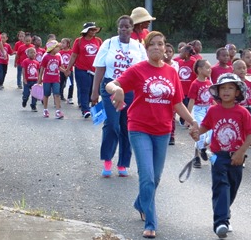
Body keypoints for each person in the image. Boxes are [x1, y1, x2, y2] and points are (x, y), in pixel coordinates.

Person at [105, 31, 199, 239]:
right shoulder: (138, 70)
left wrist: (192, 122)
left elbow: (177, 103)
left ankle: (140, 202)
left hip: (163, 131)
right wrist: (117, 91)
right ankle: (150, 221)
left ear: (165, 48)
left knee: (155, 178)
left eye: (160, 44)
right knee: (146, 176)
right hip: (139, 128)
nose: (157, 47)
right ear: (146, 49)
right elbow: (110, 84)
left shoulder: (171, 72)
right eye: (152, 45)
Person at [197, 73, 251, 239]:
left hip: (237, 158)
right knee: (221, 187)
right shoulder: (213, 110)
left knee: (232, 188)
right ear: (217, 92)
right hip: (219, 157)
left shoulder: (243, 112)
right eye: (223, 88)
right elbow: (205, 126)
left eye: (231, 88)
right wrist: (196, 132)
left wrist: (241, 152)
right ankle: (220, 222)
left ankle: (224, 213)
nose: (226, 91)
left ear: (237, 92)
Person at [91, 15, 147, 178]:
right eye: (121, 26)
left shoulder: (138, 47)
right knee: (112, 124)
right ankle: (107, 159)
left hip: (131, 89)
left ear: (132, 29)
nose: (124, 29)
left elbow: (144, 71)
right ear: (118, 28)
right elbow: (100, 68)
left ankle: (123, 163)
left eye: (127, 27)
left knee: (127, 126)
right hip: (110, 86)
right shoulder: (108, 44)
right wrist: (94, 92)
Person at [66, 22, 102, 118]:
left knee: (94, 90)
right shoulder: (79, 41)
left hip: (95, 69)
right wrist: (68, 69)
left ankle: (94, 107)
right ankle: (85, 109)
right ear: (87, 31)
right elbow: (74, 55)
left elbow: (102, 55)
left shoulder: (98, 41)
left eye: (95, 30)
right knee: (84, 89)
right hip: (82, 69)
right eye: (91, 30)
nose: (94, 31)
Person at [187, 59, 214, 168]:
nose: (210, 69)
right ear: (199, 69)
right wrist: (188, 118)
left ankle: (202, 147)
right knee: (200, 132)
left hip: (209, 109)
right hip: (199, 110)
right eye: (207, 67)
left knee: (212, 133)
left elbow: (212, 98)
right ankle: (200, 151)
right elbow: (192, 101)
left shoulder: (209, 82)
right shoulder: (195, 84)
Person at [38, 40, 64, 119]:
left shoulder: (58, 57)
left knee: (57, 94)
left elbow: (59, 67)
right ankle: (45, 109)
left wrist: (65, 71)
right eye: (57, 47)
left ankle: (58, 111)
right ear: (52, 48)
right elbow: (42, 68)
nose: (59, 49)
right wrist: (40, 78)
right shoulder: (46, 57)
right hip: (47, 79)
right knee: (46, 94)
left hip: (56, 79)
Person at [21, 47, 40, 112]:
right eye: (31, 52)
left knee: (34, 94)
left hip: (35, 80)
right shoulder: (25, 61)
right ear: (27, 54)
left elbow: (37, 71)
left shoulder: (37, 62)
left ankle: (33, 105)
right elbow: (23, 70)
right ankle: (24, 99)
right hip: (27, 80)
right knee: (26, 93)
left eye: (34, 52)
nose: (33, 54)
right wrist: (24, 78)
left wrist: (39, 79)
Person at [59, 38, 74, 104]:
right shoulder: (60, 53)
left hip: (70, 70)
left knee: (71, 84)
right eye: (61, 43)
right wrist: (63, 70)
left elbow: (73, 60)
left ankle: (69, 97)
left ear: (68, 44)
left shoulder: (71, 52)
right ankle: (60, 95)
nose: (62, 44)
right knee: (61, 83)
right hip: (62, 70)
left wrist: (68, 69)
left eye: (63, 43)